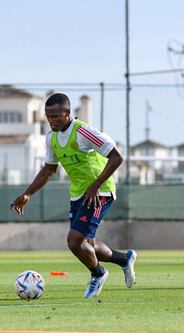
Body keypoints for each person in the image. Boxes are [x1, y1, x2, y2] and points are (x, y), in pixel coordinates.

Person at [10, 93, 137, 299]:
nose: (51, 121)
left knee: (73, 241)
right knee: (90, 246)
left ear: (67, 113)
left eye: (55, 116)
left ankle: (98, 274)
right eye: (48, 116)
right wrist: (27, 194)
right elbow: (48, 170)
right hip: (79, 193)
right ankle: (124, 259)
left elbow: (116, 157)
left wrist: (95, 186)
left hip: (100, 192)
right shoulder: (51, 138)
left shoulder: (84, 132)